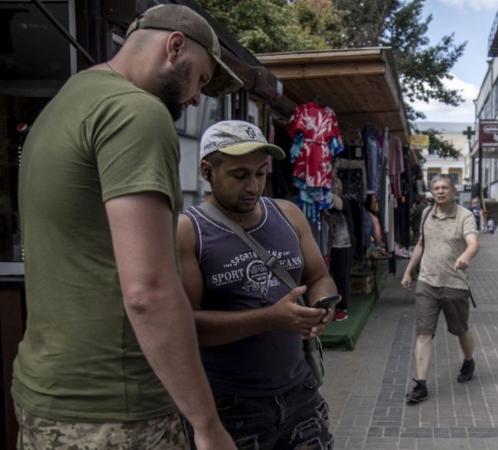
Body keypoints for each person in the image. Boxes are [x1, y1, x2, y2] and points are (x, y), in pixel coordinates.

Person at [14, 4, 242, 449]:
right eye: (200, 78)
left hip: (44, 391)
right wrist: (206, 423)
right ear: (174, 47)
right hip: (114, 407)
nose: (197, 97)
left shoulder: (67, 101)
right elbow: (149, 291)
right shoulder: (137, 113)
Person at [178, 120, 336, 450]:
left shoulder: (288, 214)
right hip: (231, 406)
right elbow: (185, 326)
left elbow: (319, 277)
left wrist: (322, 307)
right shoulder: (189, 231)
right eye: (239, 175)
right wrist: (269, 318)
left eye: (260, 173)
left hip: (300, 393)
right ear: (208, 171)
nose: (253, 186)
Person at [401, 174, 480, 404]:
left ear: (453, 191)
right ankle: (420, 384)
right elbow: (421, 244)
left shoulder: (464, 216)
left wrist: (466, 255)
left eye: (445, 187)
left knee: (460, 330)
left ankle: (468, 360)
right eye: (436, 188)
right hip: (426, 282)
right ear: (431, 191)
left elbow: (473, 242)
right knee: (423, 333)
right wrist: (408, 271)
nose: (440, 191)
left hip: (454, 284)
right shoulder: (426, 213)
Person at [329, 176, 355, 321]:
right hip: (328, 245)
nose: (332, 190)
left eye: (334, 188)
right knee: (329, 276)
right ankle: (330, 306)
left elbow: (336, 204)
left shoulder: (344, 203)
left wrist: (321, 189)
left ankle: (342, 308)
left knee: (342, 277)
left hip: (343, 245)